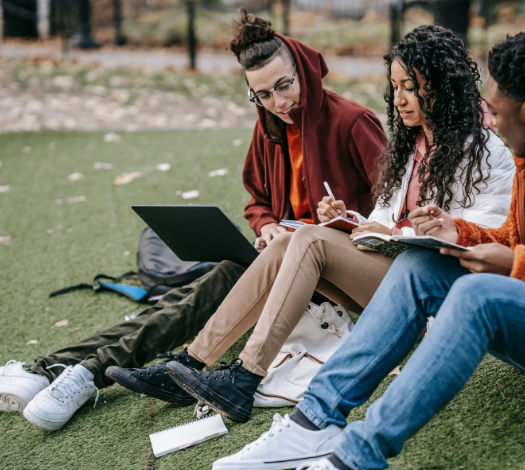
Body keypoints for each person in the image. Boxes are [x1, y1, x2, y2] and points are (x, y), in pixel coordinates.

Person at [209, 30, 525, 470]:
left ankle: (355, 458)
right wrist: (460, 231)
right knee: (420, 264)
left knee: (479, 296)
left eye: (498, 108)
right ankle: (313, 422)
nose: (490, 116)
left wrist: (518, 266)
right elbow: (516, 234)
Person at [0, 11, 386, 431]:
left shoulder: (352, 122)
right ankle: (57, 368)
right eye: (263, 95)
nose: (279, 102)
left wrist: (344, 217)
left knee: (211, 287)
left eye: (284, 85)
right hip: (283, 260)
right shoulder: (270, 130)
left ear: (304, 71)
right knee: (182, 299)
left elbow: (390, 212)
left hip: (337, 275)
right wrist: (267, 225)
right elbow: (259, 202)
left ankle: (83, 373)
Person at [156, 24, 514, 427]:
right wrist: (353, 222)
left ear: (440, 85)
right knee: (283, 243)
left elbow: (493, 229)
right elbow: (384, 215)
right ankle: (194, 360)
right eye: (394, 87)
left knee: (307, 238)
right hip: (391, 269)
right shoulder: (411, 145)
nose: (398, 99)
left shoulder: (488, 151)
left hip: (433, 287)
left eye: (410, 87)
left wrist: (418, 231)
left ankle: (244, 376)